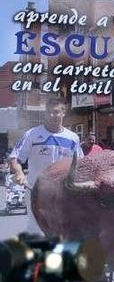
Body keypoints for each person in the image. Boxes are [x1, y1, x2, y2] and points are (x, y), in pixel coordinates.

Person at [8, 97, 83, 235]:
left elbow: (80, 164)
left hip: (63, 193)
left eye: (56, 112)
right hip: (35, 190)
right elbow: (14, 158)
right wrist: (19, 173)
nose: (52, 115)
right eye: (49, 112)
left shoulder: (73, 138)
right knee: (37, 229)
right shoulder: (32, 134)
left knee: (63, 230)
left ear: (63, 113)